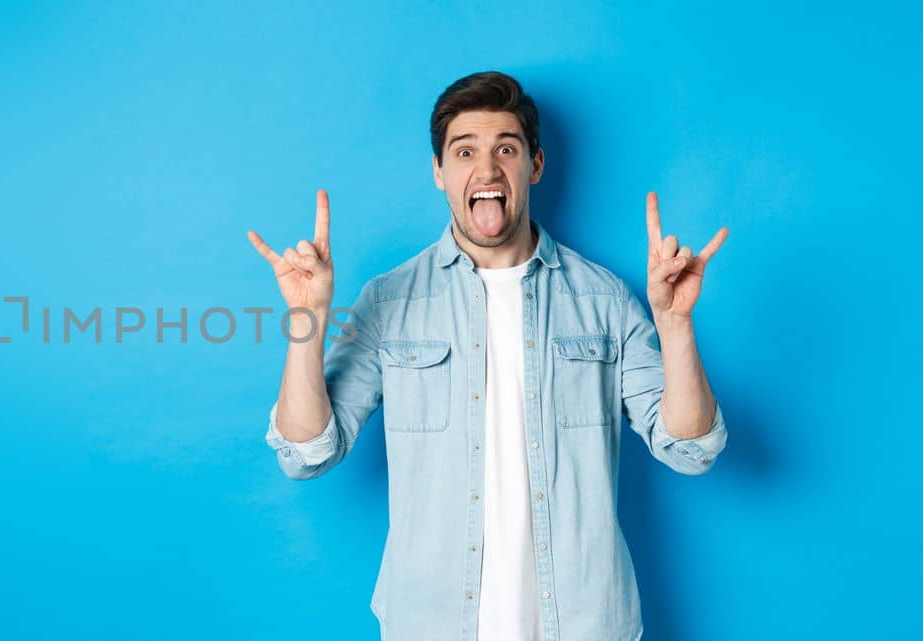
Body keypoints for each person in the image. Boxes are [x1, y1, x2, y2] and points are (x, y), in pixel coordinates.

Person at [246, 71, 730, 641]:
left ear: (535, 165)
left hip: (583, 625)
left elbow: (692, 450)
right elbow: (304, 454)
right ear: (439, 172)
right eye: (465, 151)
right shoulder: (389, 302)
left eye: (506, 148)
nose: (487, 168)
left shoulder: (605, 301)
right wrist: (308, 320)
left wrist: (674, 324)